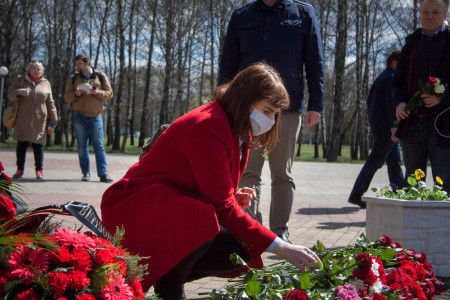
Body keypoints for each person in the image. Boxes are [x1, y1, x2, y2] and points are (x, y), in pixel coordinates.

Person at [100, 63, 321, 299]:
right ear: (245, 99)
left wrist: (230, 193)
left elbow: (207, 187)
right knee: (204, 222)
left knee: (241, 246)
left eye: (275, 114)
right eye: (267, 111)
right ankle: (170, 287)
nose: (271, 120)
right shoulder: (209, 126)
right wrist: (281, 246)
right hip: (136, 205)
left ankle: (167, 277)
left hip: (164, 206)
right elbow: (220, 206)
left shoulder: (236, 127)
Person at [218, 0, 325, 243]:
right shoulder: (242, 16)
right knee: (247, 172)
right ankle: (251, 231)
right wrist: (224, 102)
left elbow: (315, 61)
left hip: (287, 107)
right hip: (247, 108)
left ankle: (279, 232)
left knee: (282, 174)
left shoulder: (303, 13)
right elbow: (228, 63)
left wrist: (316, 104)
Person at [392, 0, 450, 194]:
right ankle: (414, 225)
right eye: (425, 11)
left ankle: (443, 225)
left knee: (445, 186)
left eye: (435, 12)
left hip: (443, 127)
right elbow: (397, 82)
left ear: (445, 14)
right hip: (413, 125)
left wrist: (443, 98)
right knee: (413, 186)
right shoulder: (411, 44)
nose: (429, 16)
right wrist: (400, 102)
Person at [348, 50, 405, 209]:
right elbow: (391, 104)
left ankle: (400, 194)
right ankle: (357, 194)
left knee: (394, 163)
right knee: (375, 161)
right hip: (388, 128)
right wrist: (394, 125)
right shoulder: (391, 78)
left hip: (381, 126)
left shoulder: (382, 78)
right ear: (394, 63)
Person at [64, 53, 114, 183]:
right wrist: (76, 93)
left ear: (88, 62)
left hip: (96, 116)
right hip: (79, 115)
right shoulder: (74, 78)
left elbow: (110, 94)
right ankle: (85, 173)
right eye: (77, 64)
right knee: (82, 146)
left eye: (80, 63)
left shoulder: (100, 76)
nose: (78, 66)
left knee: (99, 145)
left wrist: (97, 92)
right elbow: (67, 97)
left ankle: (103, 173)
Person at [8, 61, 58, 180]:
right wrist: (19, 92)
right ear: (29, 70)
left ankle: (39, 170)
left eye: (38, 69)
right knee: (21, 144)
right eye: (34, 68)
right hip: (22, 118)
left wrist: (54, 118)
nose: (36, 71)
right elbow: (10, 95)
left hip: (39, 119)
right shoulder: (21, 80)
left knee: (38, 145)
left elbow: (50, 102)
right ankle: (20, 170)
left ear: (42, 72)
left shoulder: (45, 83)